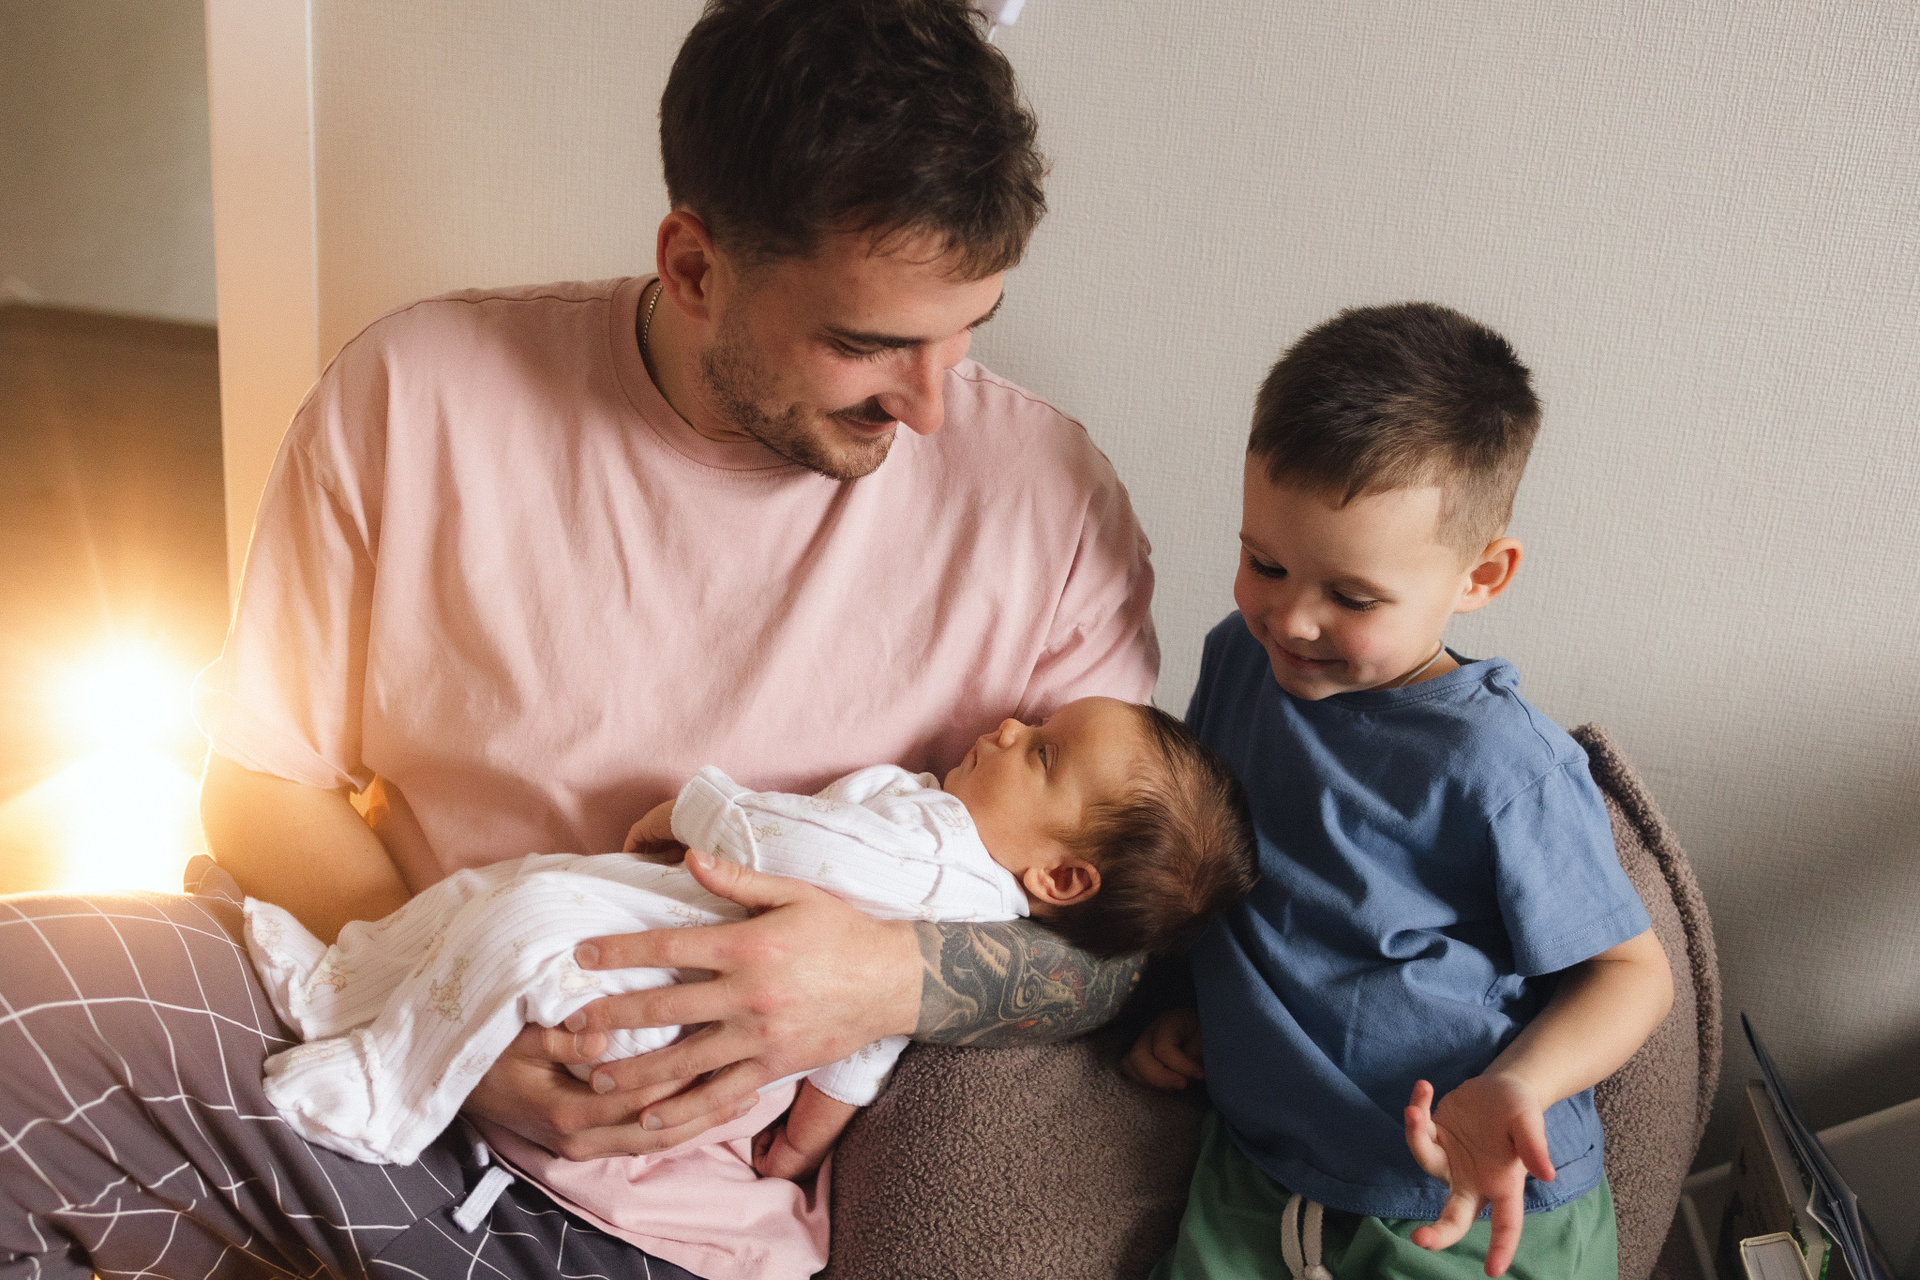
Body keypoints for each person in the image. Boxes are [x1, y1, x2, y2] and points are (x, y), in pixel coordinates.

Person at [0, 3, 1163, 1277]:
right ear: (695, 265)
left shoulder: (1049, 507)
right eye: (868, 344)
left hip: (655, 1196)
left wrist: (883, 981)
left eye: (965, 331)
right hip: (367, 1016)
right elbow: (262, 786)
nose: (933, 406)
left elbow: (1111, 952)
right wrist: (462, 1009)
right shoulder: (417, 391)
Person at [1124, 303, 1675, 1280]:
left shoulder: (1504, 764)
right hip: (1262, 1166)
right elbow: (1216, 865)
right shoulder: (1237, 659)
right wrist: (1195, 1004)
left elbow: (1634, 976)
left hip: (1467, 1190)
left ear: (1482, 576)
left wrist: (1518, 1083)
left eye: (1352, 596)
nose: (1290, 618)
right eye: (1264, 562)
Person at [248, 699, 1254, 1222]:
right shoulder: (963, 905)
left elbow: (804, 848)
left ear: (1064, 878)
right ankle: (355, 985)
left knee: (520, 911)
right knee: (497, 902)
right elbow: (860, 1054)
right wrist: (798, 1150)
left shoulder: (942, 851)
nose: (1007, 725)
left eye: (1041, 752)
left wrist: (703, 808)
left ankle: (384, 1086)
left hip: (660, 987)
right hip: (699, 1032)